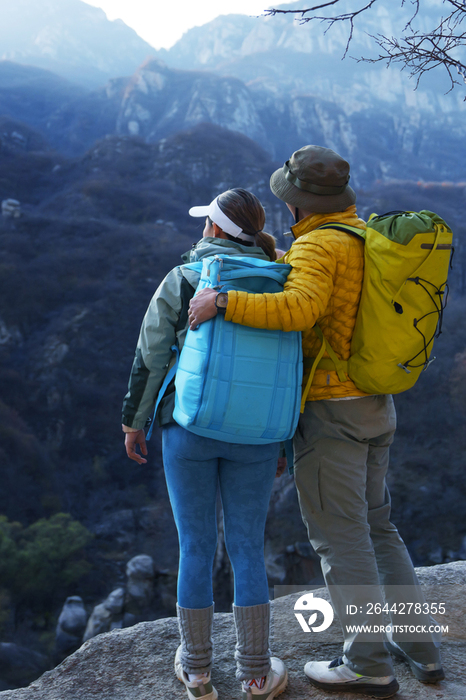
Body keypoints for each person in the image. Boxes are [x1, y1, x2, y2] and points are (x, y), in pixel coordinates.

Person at [189, 146, 444, 698]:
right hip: (377, 403)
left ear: (300, 203)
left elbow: (300, 309)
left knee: (341, 538)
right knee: (379, 527)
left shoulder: (318, 246)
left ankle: (367, 664)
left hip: (333, 411)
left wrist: (223, 302)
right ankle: (420, 648)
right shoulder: (359, 235)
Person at [122, 188, 288, 700]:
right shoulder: (284, 282)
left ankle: (196, 672)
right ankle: (257, 674)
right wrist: (283, 434)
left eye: (206, 223)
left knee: (195, 545)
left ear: (215, 230)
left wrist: (135, 422)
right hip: (259, 435)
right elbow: (294, 367)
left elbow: (151, 354)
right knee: (246, 549)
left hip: (189, 427)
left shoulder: (186, 278)